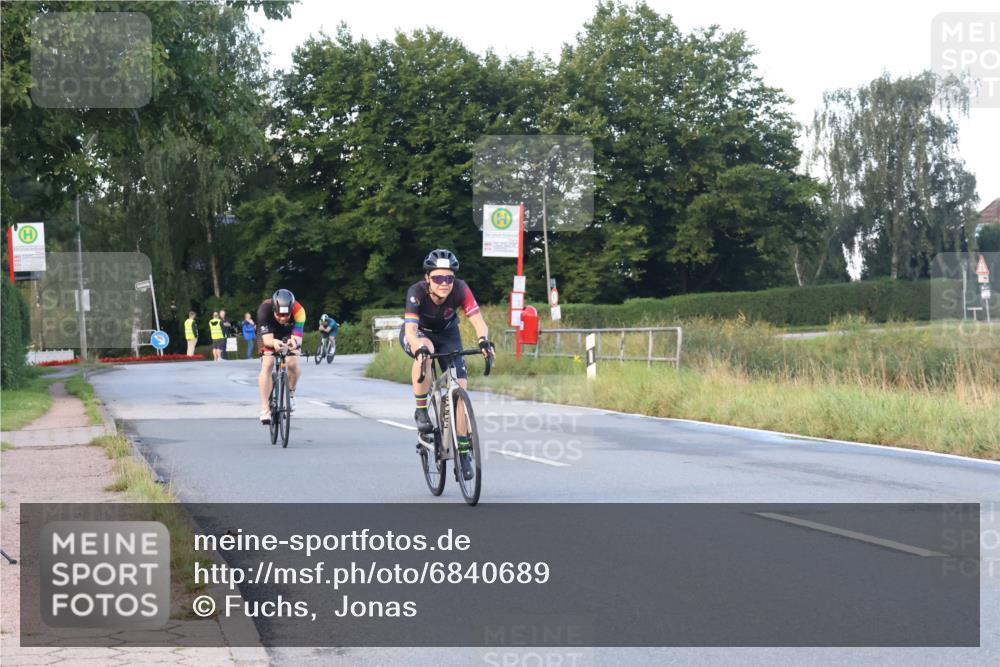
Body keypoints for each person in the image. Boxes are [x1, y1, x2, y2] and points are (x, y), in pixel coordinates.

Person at [399, 249, 494, 480]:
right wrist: (418, 345)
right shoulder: (416, 292)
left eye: (449, 278)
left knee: (460, 388)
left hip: (448, 334)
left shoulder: (461, 288)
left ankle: (462, 452)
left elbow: (478, 321)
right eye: (438, 278)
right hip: (420, 333)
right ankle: (421, 409)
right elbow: (411, 331)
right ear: (428, 279)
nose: (444, 283)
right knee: (426, 352)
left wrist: (483, 340)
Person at [256, 289, 305, 423]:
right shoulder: (264, 310)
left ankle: (291, 393)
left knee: (293, 362)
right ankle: (265, 408)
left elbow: (298, 339)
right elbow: (267, 340)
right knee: (268, 363)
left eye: (286, 315)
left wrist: (293, 343)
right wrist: (274, 343)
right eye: (279, 314)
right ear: (274, 309)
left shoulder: (299, 311)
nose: (283, 318)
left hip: (289, 332)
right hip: (269, 334)